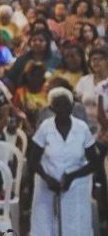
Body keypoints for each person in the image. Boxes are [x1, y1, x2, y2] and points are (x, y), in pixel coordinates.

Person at [29, 87, 100, 236]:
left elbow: (94, 163)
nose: (62, 109)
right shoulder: (45, 128)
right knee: (45, 226)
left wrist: (71, 176)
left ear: (72, 106)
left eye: (66, 105)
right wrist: (47, 178)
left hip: (76, 186)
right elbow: (33, 161)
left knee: (76, 227)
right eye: (57, 105)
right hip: (47, 184)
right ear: (51, 108)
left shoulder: (82, 129)